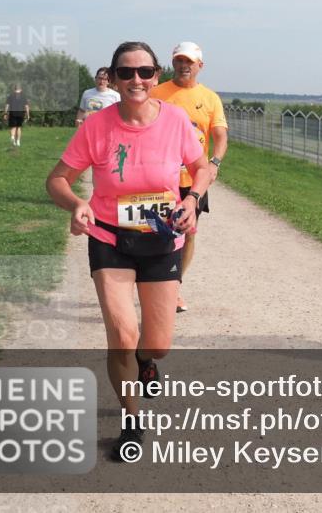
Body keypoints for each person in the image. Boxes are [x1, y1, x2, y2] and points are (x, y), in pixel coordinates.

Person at [46, 42, 211, 461]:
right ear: (114, 78)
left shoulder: (175, 120)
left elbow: (201, 167)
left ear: (156, 76)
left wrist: (191, 201)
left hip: (161, 240)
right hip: (109, 238)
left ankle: (146, 359)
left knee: (156, 345)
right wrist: (77, 204)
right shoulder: (96, 126)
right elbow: (58, 179)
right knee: (121, 335)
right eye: (126, 73)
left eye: (144, 72)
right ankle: (132, 421)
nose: (136, 80)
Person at [150, 42, 227, 314]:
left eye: (189, 62)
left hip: (193, 178)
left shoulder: (210, 99)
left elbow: (220, 136)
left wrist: (215, 163)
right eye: (179, 61)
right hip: (160, 177)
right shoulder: (156, 93)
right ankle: (153, 283)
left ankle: (174, 287)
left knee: (188, 233)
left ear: (200, 66)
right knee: (158, 232)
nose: (184, 66)